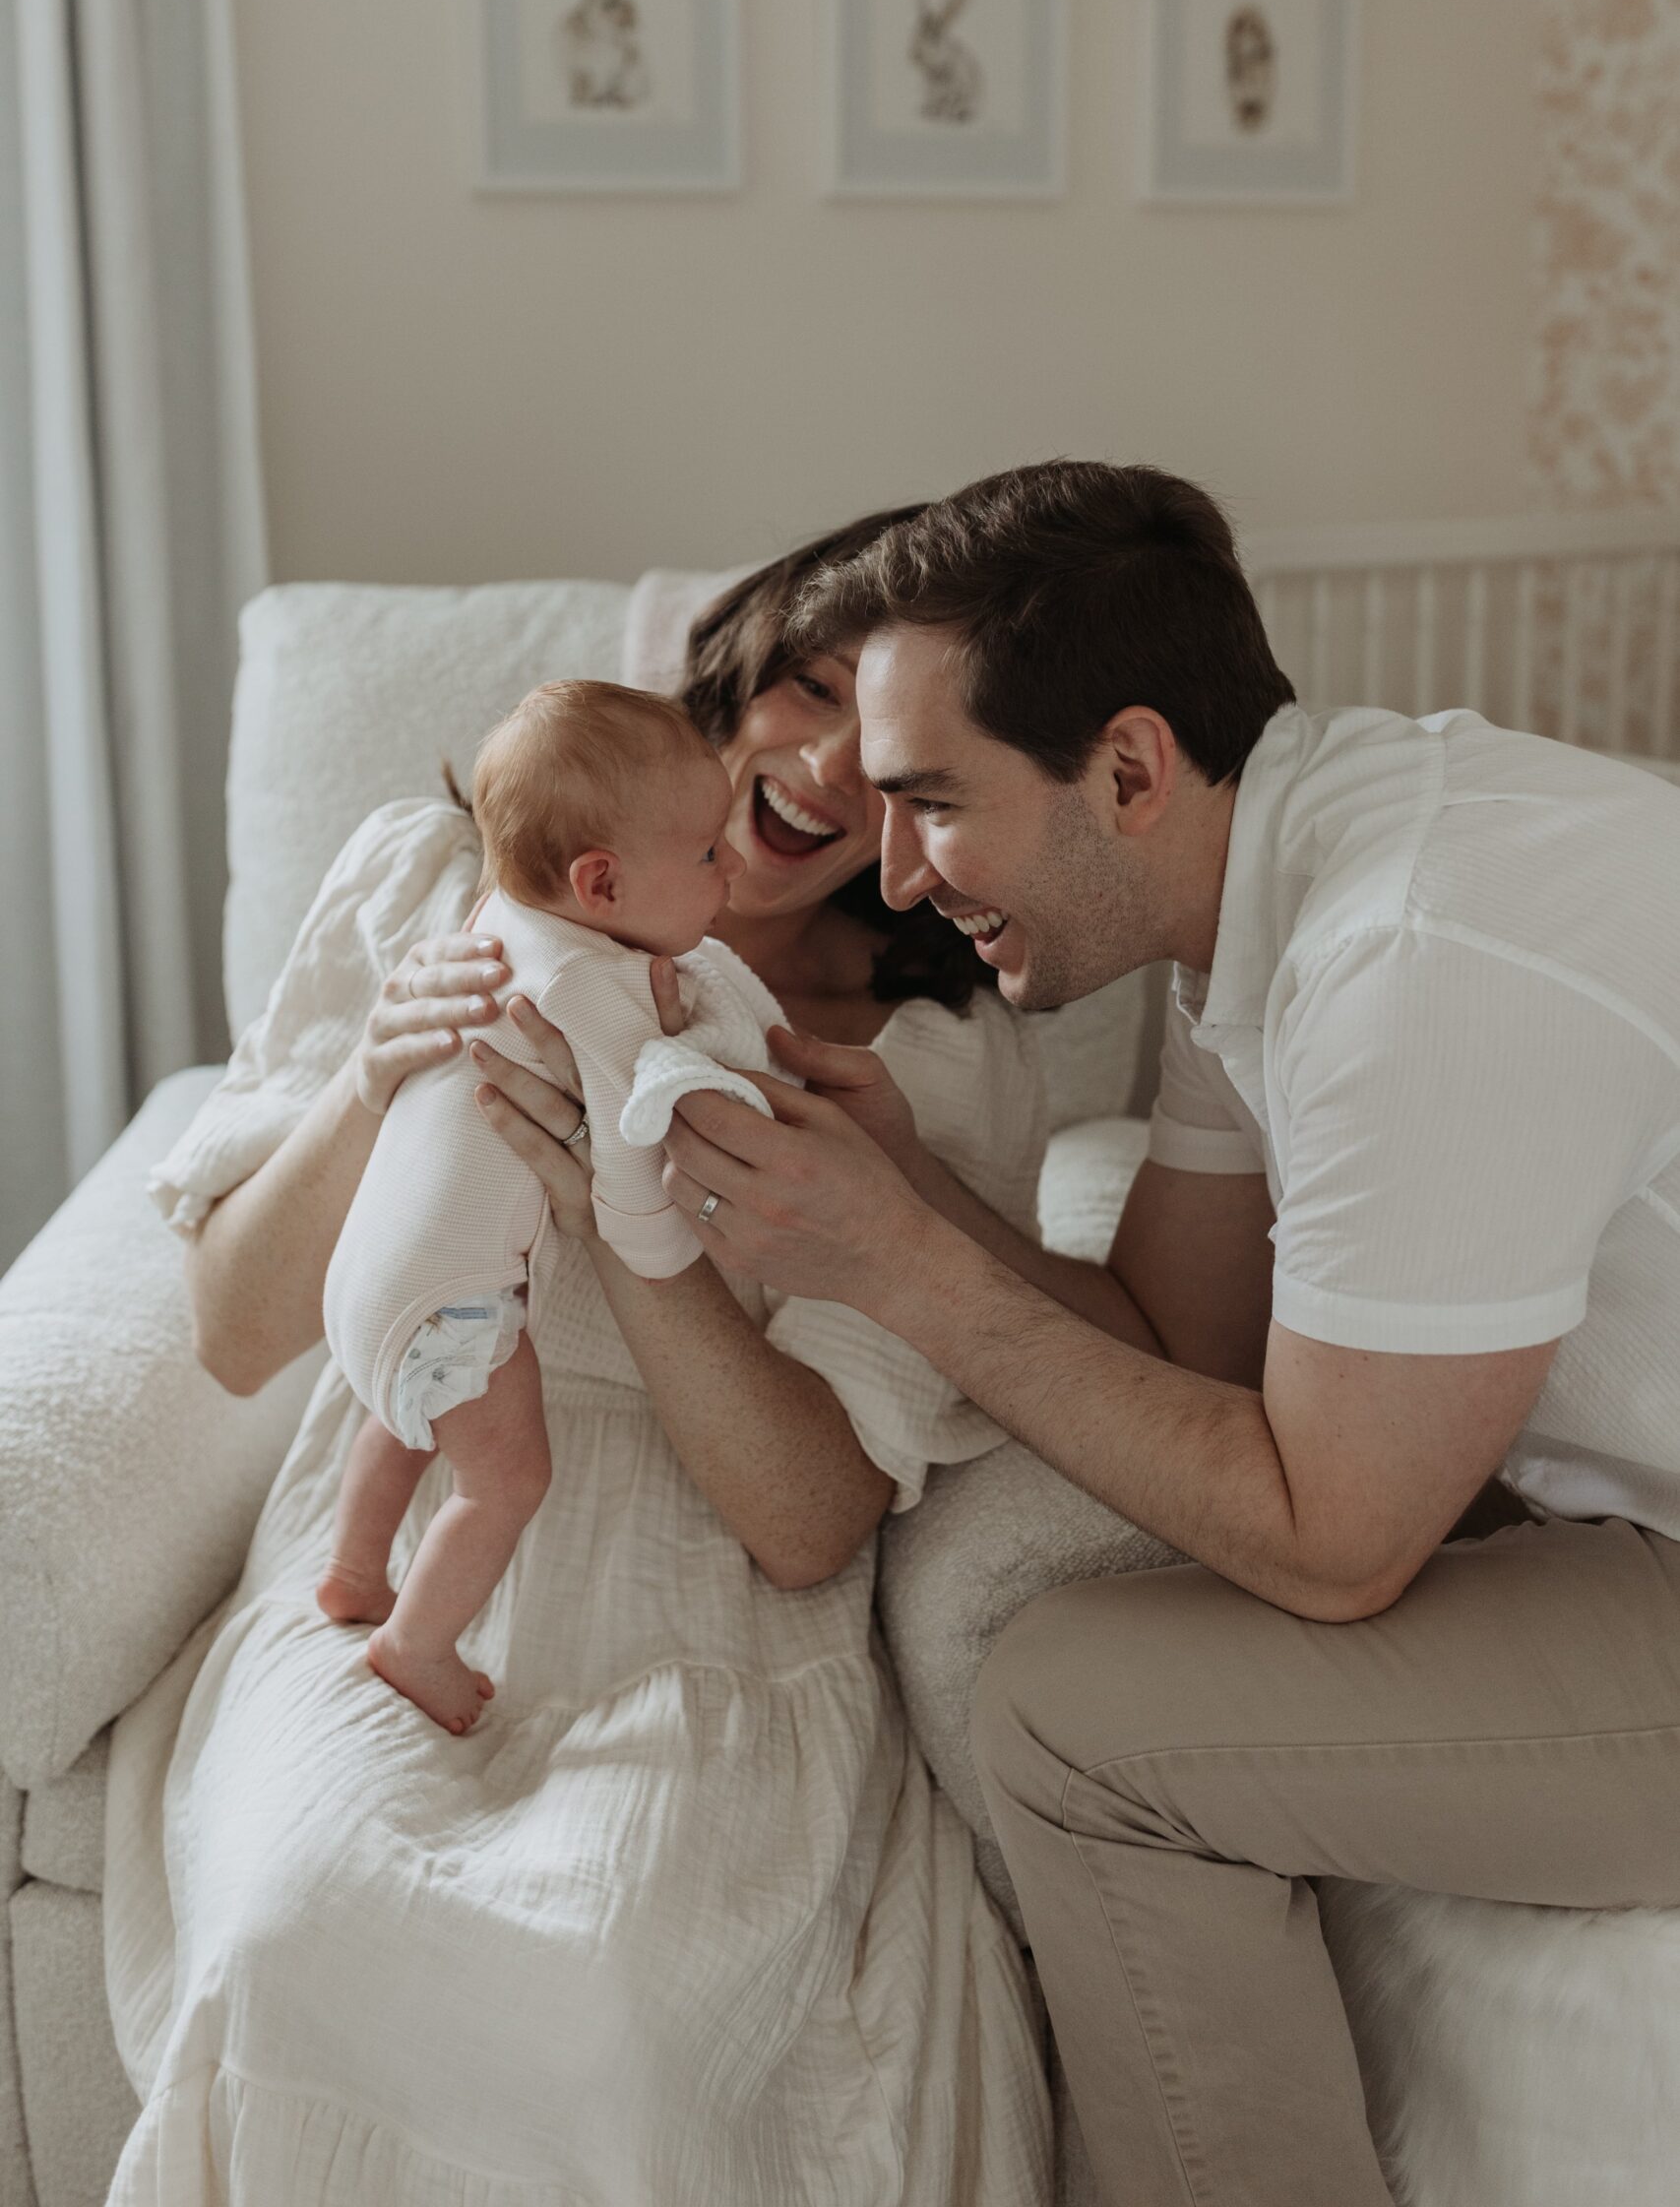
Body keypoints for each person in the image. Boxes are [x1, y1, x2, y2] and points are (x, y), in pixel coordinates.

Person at [661, 458, 1680, 2207]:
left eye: (930, 801)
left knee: (1075, 1720)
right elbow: (1179, 1338)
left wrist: (900, 1271)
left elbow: (1334, 1541)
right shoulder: (1274, 869)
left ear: (1125, 767)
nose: (895, 878)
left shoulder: (1409, 960)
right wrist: (916, 1201)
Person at [102, 513, 1054, 2205]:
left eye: (895, 743)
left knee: (608, 1990)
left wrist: (633, 1203)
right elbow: (239, 1328)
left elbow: (807, 1522)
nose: (830, 765)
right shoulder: (427, 873)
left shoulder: (918, 1057)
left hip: (698, 1596)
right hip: (390, 1534)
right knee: (301, 1919)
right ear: (738, 664)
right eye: (810, 691)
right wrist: (372, 1082)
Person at [319, 677, 785, 1734]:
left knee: (401, 1413)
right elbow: (628, 1152)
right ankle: (415, 1645)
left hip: (366, 1280)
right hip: (452, 1296)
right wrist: (661, 1214)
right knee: (504, 1477)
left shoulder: (496, 915)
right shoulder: (592, 990)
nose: (733, 869)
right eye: (709, 854)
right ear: (603, 881)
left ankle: (354, 1567)